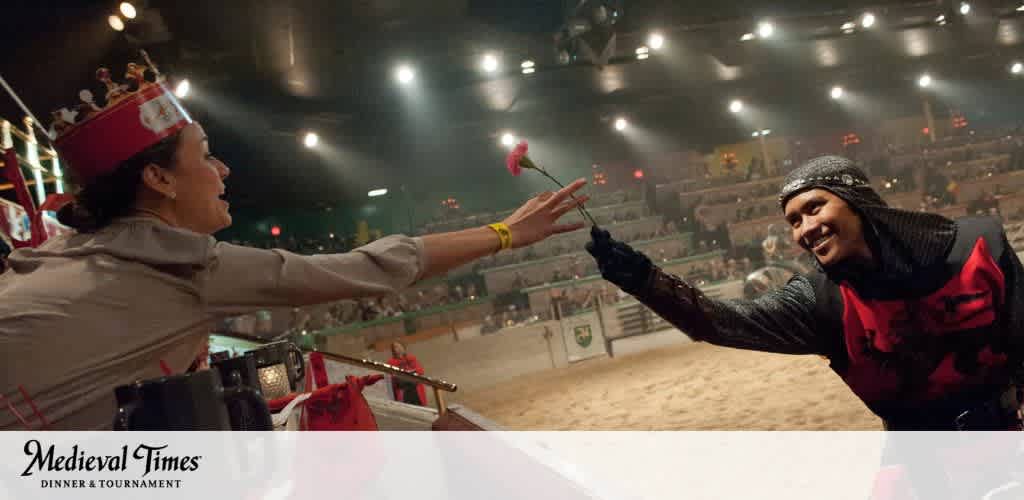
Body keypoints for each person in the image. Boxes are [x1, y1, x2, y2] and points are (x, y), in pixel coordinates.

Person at [0, 68, 589, 430]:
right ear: (158, 180)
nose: (223, 169)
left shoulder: (57, 255)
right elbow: (374, 268)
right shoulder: (182, 266)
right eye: (206, 154)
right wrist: (505, 233)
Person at [587, 156, 1024, 431]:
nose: (805, 229)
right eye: (794, 221)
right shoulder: (820, 300)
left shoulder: (977, 247)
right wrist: (644, 279)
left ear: (859, 203)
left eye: (815, 207)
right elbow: (717, 321)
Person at [387, 341, 426, 406]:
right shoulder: (391, 362)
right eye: (396, 347)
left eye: (400, 346)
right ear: (393, 350)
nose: (399, 348)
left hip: (416, 391)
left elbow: (420, 371)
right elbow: (392, 379)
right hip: (404, 392)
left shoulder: (411, 358)